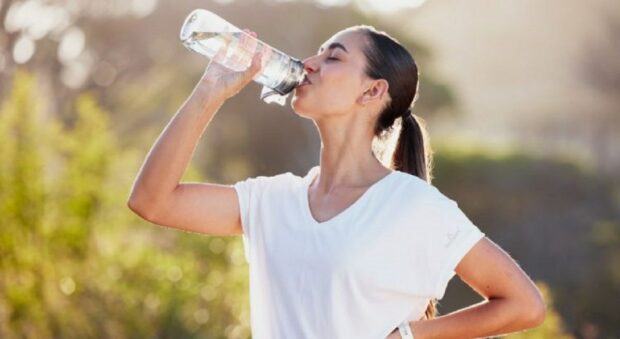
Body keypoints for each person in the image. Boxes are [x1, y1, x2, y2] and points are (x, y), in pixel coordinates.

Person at [128, 25, 546, 339]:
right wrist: (210, 90)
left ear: (372, 91)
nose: (308, 64)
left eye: (333, 58)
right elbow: (152, 201)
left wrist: (409, 335)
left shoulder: (413, 206)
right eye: (317, 54)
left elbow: (524, 304)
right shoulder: (272, 200)